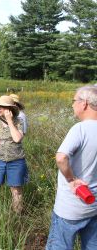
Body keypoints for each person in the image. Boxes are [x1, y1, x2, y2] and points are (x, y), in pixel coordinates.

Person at [46, 86, 97, 250]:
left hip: (71, 207)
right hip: (94, 205)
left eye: (74, 101)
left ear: (85, 104)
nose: (72, 105)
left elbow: (61, 157)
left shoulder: (80, 129)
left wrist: (71, 179)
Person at [0, 95, 26, 213]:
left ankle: (17, 215)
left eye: (2, 107)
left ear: (9, 109)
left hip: (16, 160)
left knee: (16, 189)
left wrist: (9, 121)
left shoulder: (19, 121)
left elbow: (17, 138)